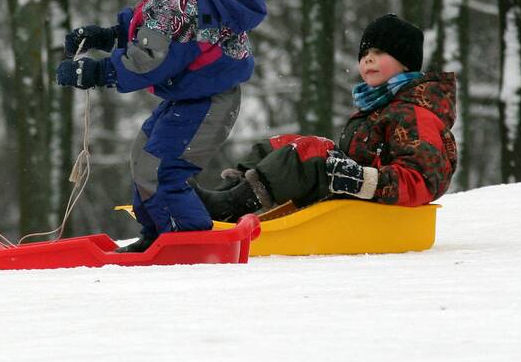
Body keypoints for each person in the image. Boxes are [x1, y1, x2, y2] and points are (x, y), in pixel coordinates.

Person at [55, 0, 267, 252]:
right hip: (196, 96)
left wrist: (98, 70)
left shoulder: (178, 2)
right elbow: (151, 28)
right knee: (144, 158)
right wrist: (107, 35)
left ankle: (187, 244)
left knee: (161, 169)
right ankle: (158, 235)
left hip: (207, 102)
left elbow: (148, 59)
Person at [193, 14, 458, 221]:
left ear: (406, 62)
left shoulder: (415, 113)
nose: (368, 60)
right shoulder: (378, 108)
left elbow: (423, 179)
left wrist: (360, 179)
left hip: (386, 211)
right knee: (280, 145)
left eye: (379, 53)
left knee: (310, 153)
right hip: (361, 201)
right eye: (364, 55)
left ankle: (229, 207)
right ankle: (228, 197)